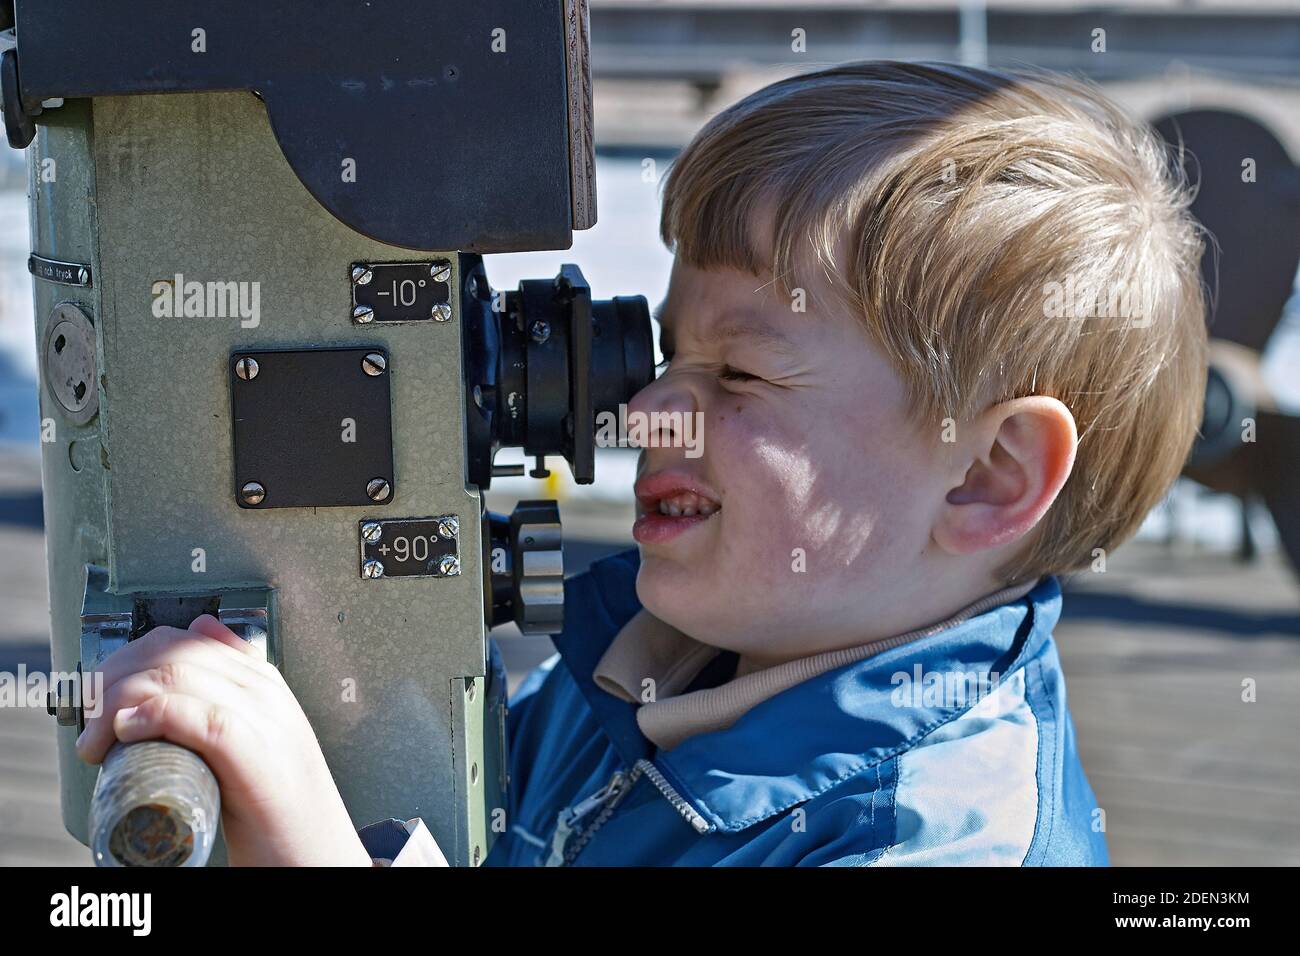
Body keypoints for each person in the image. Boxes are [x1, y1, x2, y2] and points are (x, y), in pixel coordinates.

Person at [75, 61, 1207, 866]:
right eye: (671, 353)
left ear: (987, 475)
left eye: (743, 374)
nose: (652, 410)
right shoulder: (630, 671)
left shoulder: (934, 837)